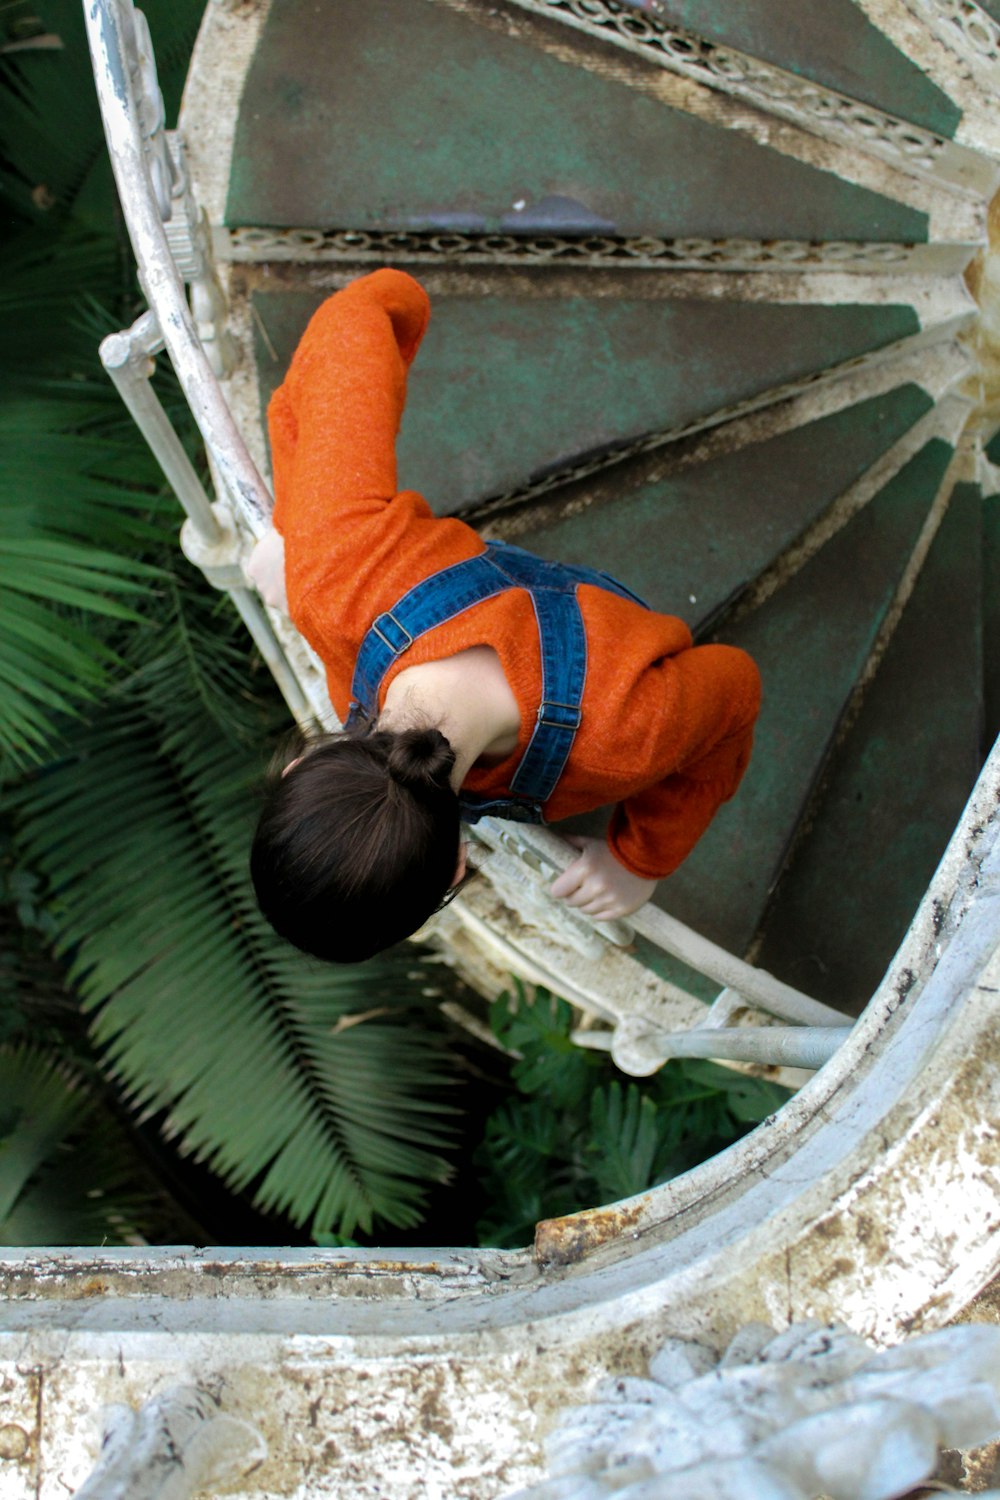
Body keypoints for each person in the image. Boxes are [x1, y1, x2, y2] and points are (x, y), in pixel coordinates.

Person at [248, 269, 761, 964]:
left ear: (457, 865)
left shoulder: (627, 733)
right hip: (515, 620)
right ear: (300, 766)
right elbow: (361, 312)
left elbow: (734, 689)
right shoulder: (334, 573)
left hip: (612, 666)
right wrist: (301, 533)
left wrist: (641, 858)